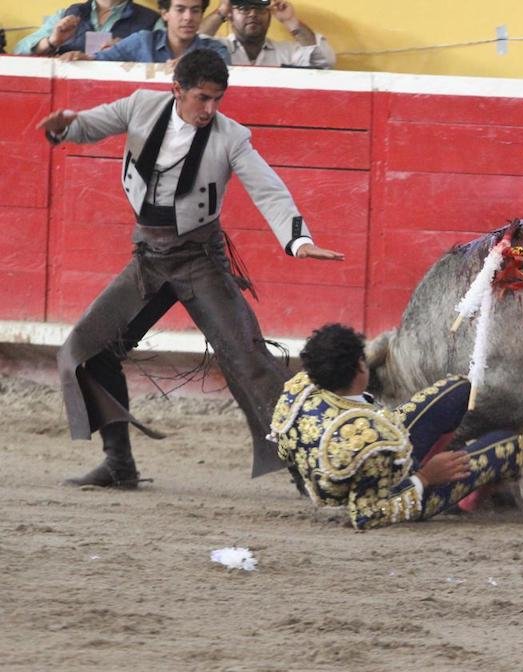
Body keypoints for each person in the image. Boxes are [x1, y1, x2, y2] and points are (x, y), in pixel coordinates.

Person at [36, 48, 344, 489]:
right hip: (149, 258)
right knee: (88, 349)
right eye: (202, 98)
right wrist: (64, 127)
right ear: (177, 89)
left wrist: (299, 240)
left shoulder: (231, 136)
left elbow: (269, 189)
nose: (210, 109)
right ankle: (119, 464)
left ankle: (308, 470)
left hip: (199, 260)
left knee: (249, 360)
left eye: (217, 99)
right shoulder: (142, 106)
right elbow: (89, 125)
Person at [269, 324, 523, 530]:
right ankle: (468, 503)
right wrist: (426, 477)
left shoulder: (301, 387)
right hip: (399, 490)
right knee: (512, 444)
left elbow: (283, 448)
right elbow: (366, 515)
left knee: (461, 390)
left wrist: (314, 478)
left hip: (365, 459)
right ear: (361, 367)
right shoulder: (371, 441)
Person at [61, 0, 229, 63]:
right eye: (180, 9)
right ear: (165, 13)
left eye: (195, 11)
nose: (188, 17)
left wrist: (193, 65)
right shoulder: (143, 41)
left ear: (201, 15)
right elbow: (100, 59)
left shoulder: (216, 50)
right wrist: (80, 57)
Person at [198, 0, 335, 68]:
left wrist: (290, 20)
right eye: (244, 8)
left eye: (260, 9)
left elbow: (324, 60)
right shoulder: (216, 50)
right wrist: (221, 11)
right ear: (230, 14)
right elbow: (191, 46)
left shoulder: (286, 53)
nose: (253, 14)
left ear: (270, 15)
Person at [14, 0, 160, 57]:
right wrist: (52, 41)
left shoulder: (152, 20)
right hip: (67, 92)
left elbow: (165, 61)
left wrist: (129, 49)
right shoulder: (67, 14)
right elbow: (19, 51)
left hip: (124, 97)